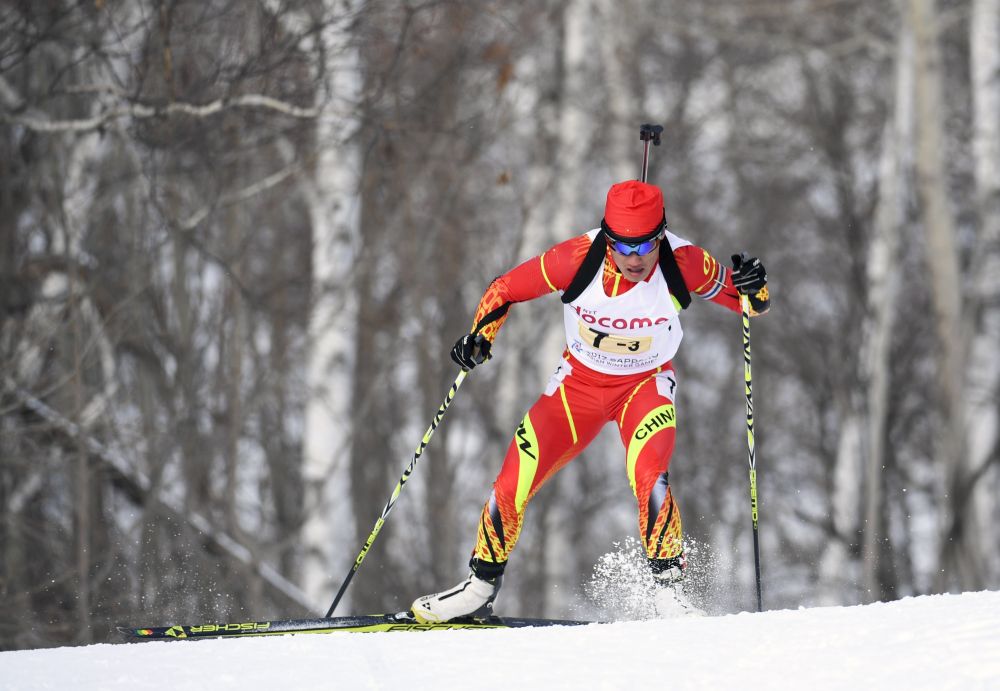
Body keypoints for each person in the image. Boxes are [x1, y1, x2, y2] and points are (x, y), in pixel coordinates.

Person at [410, 180, 770, 623]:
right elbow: (504, 289)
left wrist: (755, 286)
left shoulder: (686, 262)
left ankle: (669, 594)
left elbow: (749, 304)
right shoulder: (576, 259)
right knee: (510, 483)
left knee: (650, 476)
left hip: (645, 385)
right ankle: (479, 588)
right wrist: (479, 338)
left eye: (645, 245)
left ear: (662, 236)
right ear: (606, 237)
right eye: (622, 245)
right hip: (577, 387)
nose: (635, 258)